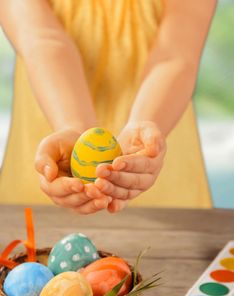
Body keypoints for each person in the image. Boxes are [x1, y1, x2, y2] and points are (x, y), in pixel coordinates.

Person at [0, 0, 216, 214]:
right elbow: (42, 41)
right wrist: (75, 129)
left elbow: (176, 54)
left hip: (160, 181)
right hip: (52, 172)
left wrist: (143, 125)